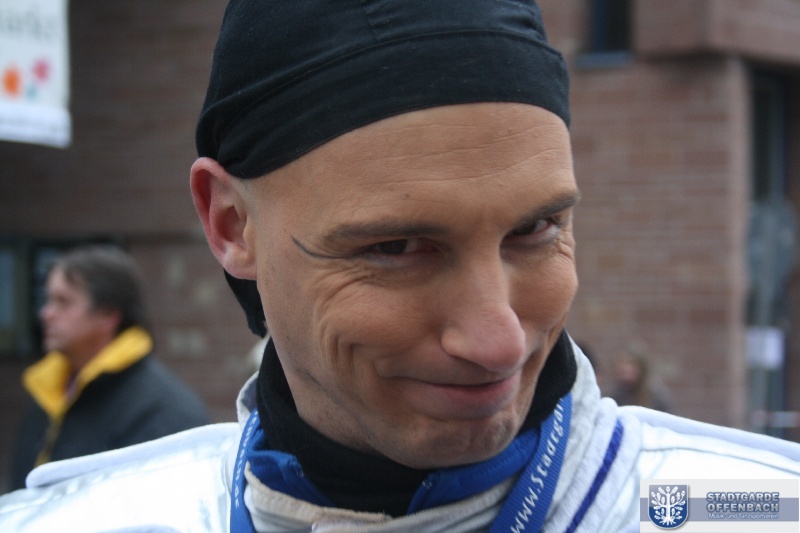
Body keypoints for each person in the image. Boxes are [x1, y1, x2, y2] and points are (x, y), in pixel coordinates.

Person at [2, 1, 800, 531]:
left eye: (535, 229)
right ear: (231, 224)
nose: (497, 340)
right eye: (395, 248)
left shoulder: (756, 510)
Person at [8, 245, 210, 490]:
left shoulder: (164, 411)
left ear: (109, 316)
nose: (46, 313)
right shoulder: (50, 390)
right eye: (48, 299)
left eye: (63, 302)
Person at [607, 345, 672, 413]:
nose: (625, 368)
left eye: (630, 364)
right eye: (622, 364)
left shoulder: (656, 396)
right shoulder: (612, 395)